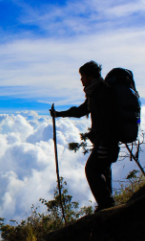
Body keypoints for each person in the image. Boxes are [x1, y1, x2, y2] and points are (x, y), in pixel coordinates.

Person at [51, 61, 119, 212]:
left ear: (90, 76)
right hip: (106, 143)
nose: (81, 80)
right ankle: (109, 206)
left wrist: (104, 144)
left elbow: (109, 120)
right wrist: (59, 114)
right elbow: (81, 110)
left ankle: (107, 206)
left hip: (106, 143)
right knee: (103, 172)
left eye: (83, 76)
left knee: (92, 170)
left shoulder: (102, 92)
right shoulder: (96, 92)